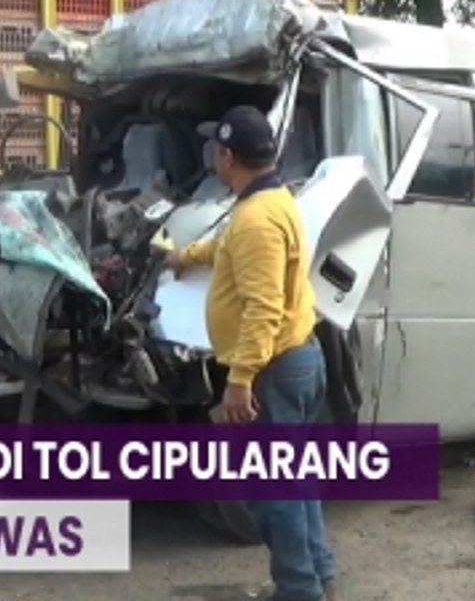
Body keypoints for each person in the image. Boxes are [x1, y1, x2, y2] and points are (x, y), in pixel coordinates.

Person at [165, 105, 337, 601]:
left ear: (227, 155)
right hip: (296, 362)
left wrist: (240, 381)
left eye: (215, 153)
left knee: (272, 493)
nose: (213, 160)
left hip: (272, 372)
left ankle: (298, 590)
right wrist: (185, 256)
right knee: (296, 480)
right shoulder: (270, 201)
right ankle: (317, 572)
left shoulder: (257, 220)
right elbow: (228, 245)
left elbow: (264, 308)